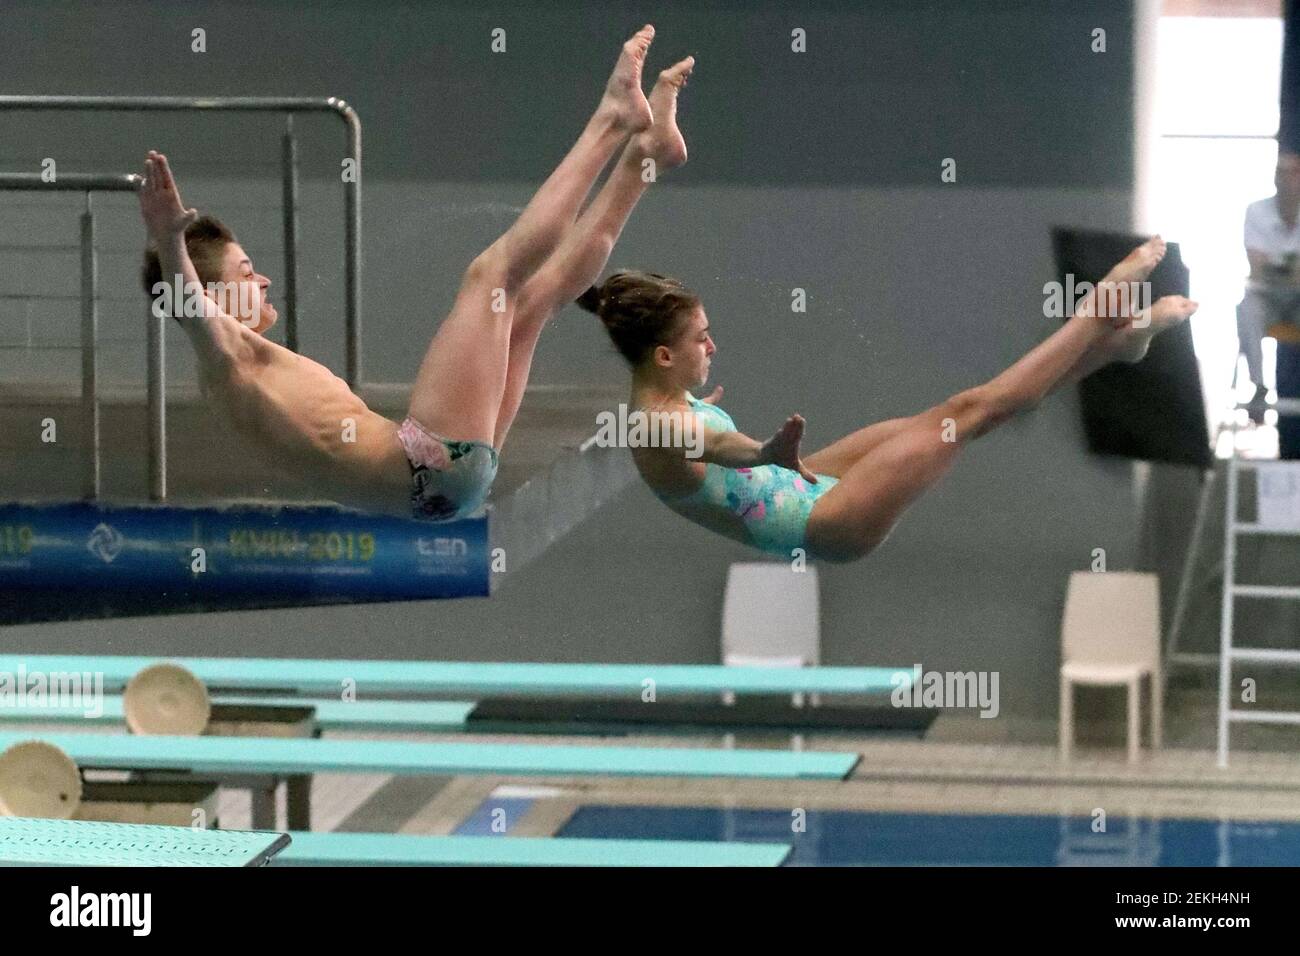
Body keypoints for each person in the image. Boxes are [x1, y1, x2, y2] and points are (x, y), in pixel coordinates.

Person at [139, 26, 693, 520]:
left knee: (531, 305)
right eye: (245, 272)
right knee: (491, 276)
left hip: (447, 485)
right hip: (424, 462)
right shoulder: (225, 360)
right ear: (208, 293)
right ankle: (612, 120)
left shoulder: (238, 371)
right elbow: (189, 308)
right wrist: (168, 239)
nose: (261, 281)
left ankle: (646, 155)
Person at [580, 238, 1198, 562]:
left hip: (812, 478)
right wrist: (763, 449)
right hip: (823, 522)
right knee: (972, 413)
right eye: (699, 337)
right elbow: (716, 444)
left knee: (959, 411)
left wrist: (745, 439)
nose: (713, 343)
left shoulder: (666, 401)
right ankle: (1098, 313)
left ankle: (1117, 348)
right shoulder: (657, 426)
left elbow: (706, 443)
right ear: (663, 355)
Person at [1237, 151, 1300, 420]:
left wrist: (1277, 268)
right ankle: (1259, 386)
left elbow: (1268, 266)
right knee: (1245, 308)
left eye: (1292, 173)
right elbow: (1258, 270)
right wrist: (1291, 270)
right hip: (1267, 302)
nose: (1285, 179)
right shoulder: (1257, 211)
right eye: (1280, 172)